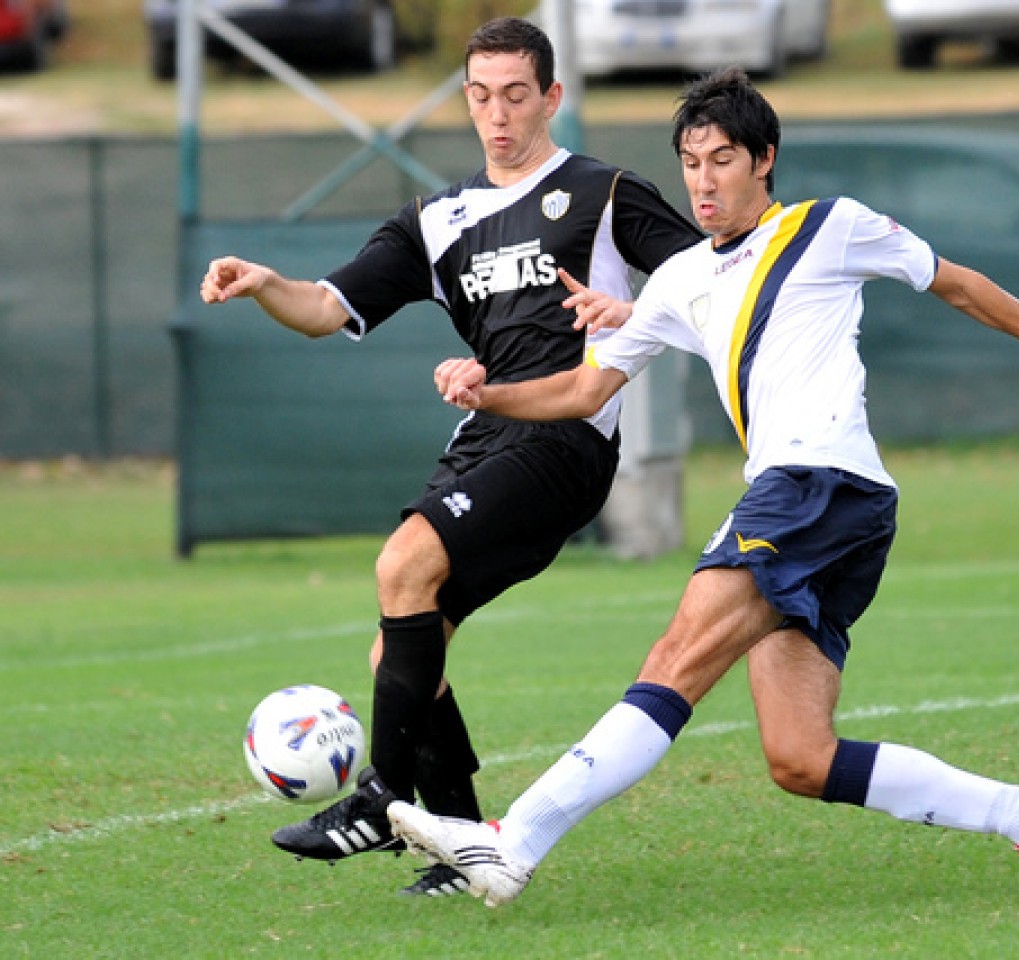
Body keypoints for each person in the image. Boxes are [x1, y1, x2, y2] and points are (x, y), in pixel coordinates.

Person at [384, 66, 1019, 907]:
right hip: (823, 506)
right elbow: (583, 391)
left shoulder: (827, 226)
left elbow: (958, 283)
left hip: (817, 484)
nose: (703, 180)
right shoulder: (683, 280)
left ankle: (514, 843)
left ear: (764, 160)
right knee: (800, 757)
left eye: (721, 159)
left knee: (675, 657)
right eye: (690, 161)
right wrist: (489, 392)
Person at [199, 17, 702, 897]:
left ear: (552, 96)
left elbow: (713, 279)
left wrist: (635, 317)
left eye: (517, 95)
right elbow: (326, 306)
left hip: (566, 438)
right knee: (404, 641)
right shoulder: (439, 219)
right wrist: (266, 284)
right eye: (480, 97)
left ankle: (380, 801)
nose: (498, 115)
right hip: (483, 436)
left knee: (405, 562)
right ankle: (462, 845)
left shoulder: (604, 193)